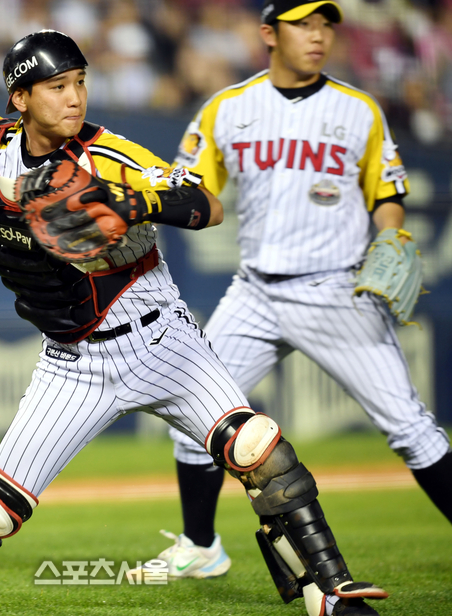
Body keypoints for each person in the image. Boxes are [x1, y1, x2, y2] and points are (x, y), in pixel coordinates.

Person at [0, 18, 388, 616]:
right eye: (57, 86)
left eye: (80, 82)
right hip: (73, 363)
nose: (75, 97)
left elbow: (207, 204)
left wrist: (131, 200)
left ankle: (330, 592)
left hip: (162, 339)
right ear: (20, 98)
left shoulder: (111, 155)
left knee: (258, 449)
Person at [137, 0, 452, 592]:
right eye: (303, 24)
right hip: (254, 291)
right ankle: (201, 547)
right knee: (193, 421)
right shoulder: (228, 108)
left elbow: (387, 193)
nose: (317, 35)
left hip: (335, 290)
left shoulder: (358, 109)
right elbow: (190, 189)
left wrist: (393, 234)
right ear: (268, 33)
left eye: (325, 25)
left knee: (411, 429)